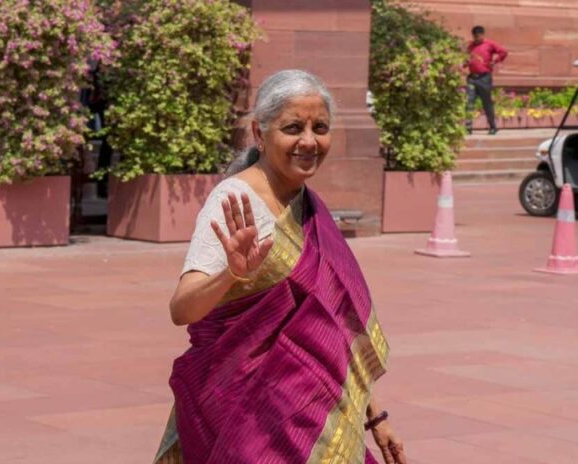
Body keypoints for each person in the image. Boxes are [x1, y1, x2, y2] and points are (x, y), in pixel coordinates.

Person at [154, 70, 406, 464]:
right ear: (260, 132)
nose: (309, 141)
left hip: (315, 413)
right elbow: (181, 309)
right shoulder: (236, 200)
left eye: (319, 128)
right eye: (293, 127)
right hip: (247, 416)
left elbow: (334, 327)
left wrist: (374, 416)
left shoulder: (309, 206)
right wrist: (231, 274)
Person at [466, 25, 508, 135]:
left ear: (482, 35)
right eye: (474, 36)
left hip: (484, 78)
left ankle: (493, 126)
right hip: (472, 78)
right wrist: (464, 64)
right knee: (469, 101)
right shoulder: (470, 46)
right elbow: (466, 58)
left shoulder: (489, 44)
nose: (476, 38)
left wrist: (495, 61)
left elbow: (503, 52)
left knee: (487, 102)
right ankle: (468, 127)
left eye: (478, 36)